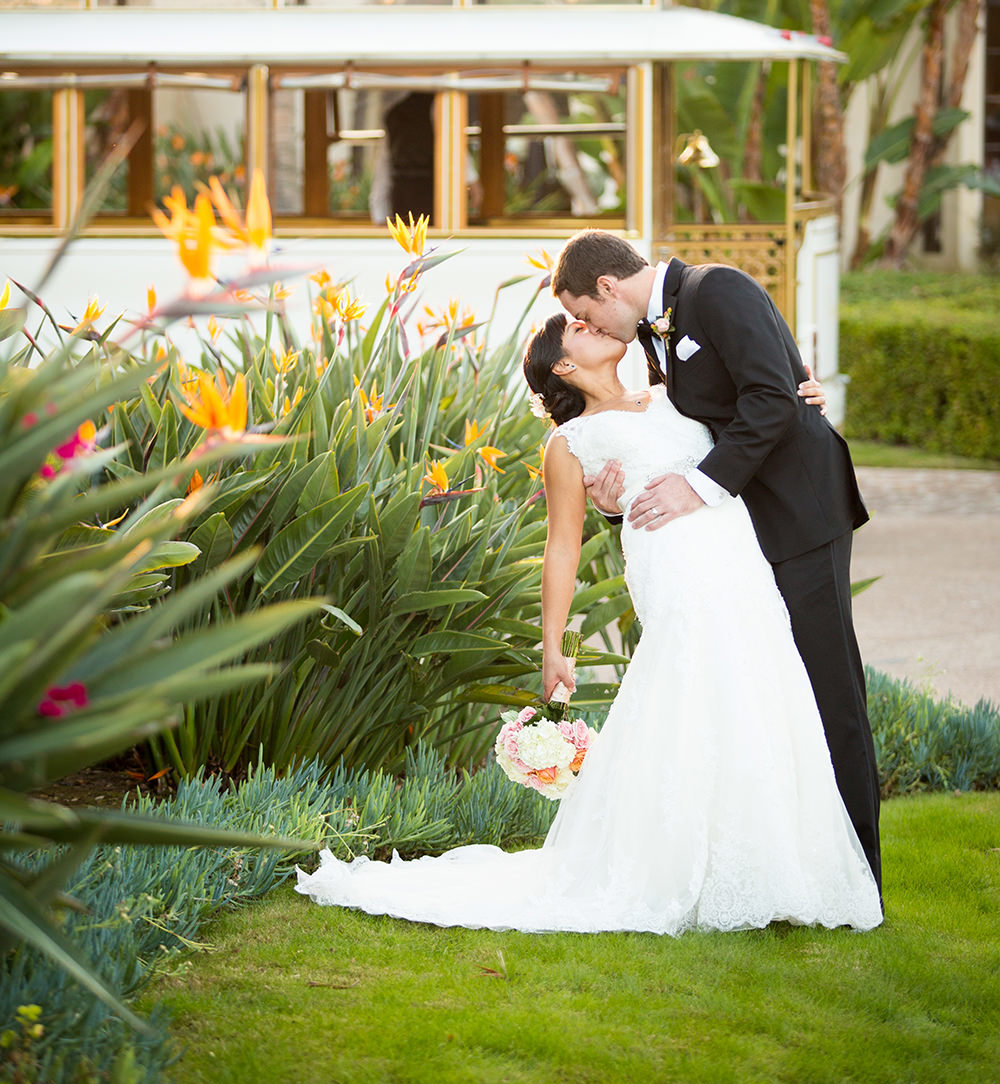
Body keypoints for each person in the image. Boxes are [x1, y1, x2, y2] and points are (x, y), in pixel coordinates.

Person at [295, 312, 882, 935]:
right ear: (563, 364)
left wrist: (801, 391)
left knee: (759, 688)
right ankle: (680, 868)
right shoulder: (570, 443)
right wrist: (555, 648)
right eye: (577, 325)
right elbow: (561, 548)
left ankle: (772, 864)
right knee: (693, 687)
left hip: (739, 557)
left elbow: (749, 414)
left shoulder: (668, 392)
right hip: (674, 568)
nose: (594, 323)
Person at [552, 230, 882, 897]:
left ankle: (859, 874)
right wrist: (622, 503)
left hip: (800, 515)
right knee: (774, 695)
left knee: (828, 690)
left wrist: (706, 478)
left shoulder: (720, 288)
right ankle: (791, 862)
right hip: (739, 538)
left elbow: (767, 400)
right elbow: (693, 430)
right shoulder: (651, 335)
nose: (588, 326)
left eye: (586, 314)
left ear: (609, 287)